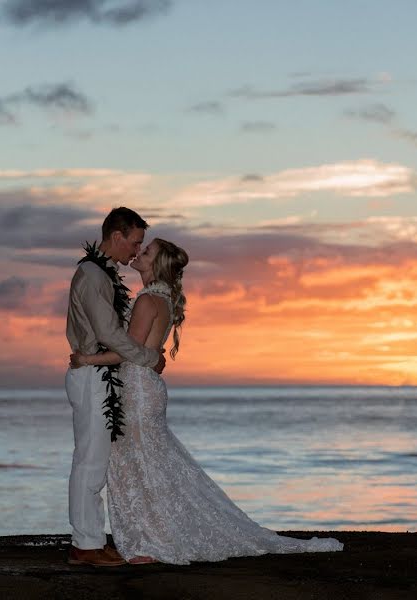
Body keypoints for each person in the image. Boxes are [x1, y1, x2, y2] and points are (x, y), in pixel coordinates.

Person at [72, 238, 343, 565]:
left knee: (140, 465)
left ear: (156, 266)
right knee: (146, 463)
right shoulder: (163, 299)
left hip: (138, 390)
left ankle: (152, 543)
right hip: (145, 386)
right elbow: (143, 351)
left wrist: (88, 360)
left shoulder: (147, 301)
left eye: (147, 252)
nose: (139, 254)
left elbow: (130, 351)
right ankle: (152, 538)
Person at [65, 207, 166, 568]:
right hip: (92, 374)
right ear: (116, 236)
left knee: (96, 460)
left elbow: (113, 332)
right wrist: (148, 357)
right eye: (135, 242)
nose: (136, 251)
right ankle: (85, 546)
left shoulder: (103, 275)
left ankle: (91, 539)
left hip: (101, 375)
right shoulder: (92, 275)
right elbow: (108, 333)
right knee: (90, 461)